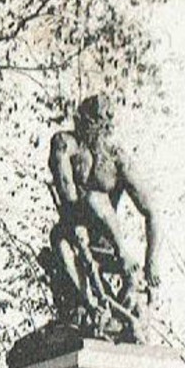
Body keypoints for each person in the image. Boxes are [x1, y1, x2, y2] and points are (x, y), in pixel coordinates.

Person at [44, 93, 160, 339]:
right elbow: (64, 182)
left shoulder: (116, 159)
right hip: (75, 235)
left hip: (109, 244)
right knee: (58, 240)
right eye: (90, 122)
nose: (96, 129)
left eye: (101, 124)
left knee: (95, 199)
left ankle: (123, 263)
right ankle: (93, 308)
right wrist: (74, 219)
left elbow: (150, 211)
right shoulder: (67, 144)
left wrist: (152, 261)